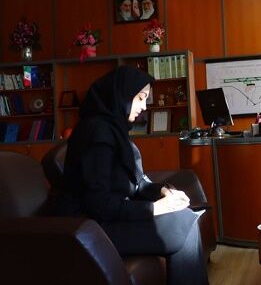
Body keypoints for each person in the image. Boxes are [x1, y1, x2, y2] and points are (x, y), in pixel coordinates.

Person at [58, 66, 209, 285]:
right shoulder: (96, 133)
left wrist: (162, 192)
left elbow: (134, 182)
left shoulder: (114, 128)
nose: (144, 106)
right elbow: (97, 204)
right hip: (94, 228)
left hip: (112, 217)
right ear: (120, 95)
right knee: (184, 224)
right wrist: (155, 209)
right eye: (140, 98)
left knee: (185, 219)